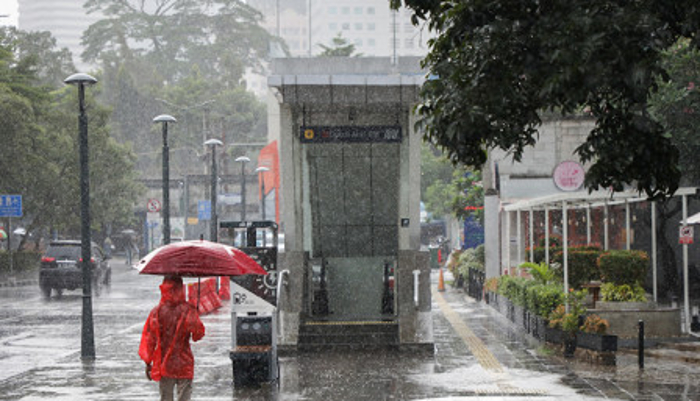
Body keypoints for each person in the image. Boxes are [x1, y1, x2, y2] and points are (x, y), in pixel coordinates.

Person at [139, 276, 205, 401]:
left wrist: (148, 363)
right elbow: (198, 335)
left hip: (165, 364)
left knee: (165, 398)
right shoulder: (187, 310)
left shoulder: (157, 312)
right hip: (184, 363)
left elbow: (149, 340)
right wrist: (195, 316)